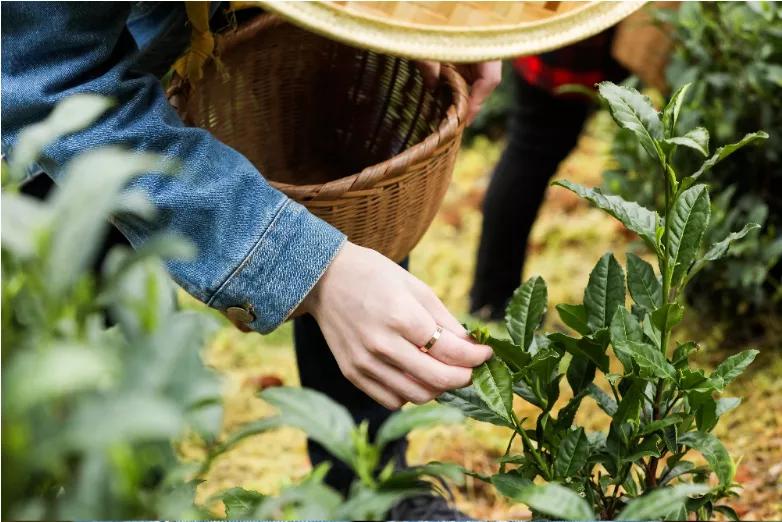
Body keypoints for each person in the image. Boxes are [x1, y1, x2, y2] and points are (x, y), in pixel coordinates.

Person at [1, 2, 500, 512]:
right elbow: (47, 82)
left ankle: (374, 488)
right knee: (95, 383)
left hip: (189, 39)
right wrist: (312, 267)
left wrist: (436, 19)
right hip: (40, 127)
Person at [470, 30, 628, 321]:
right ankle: (493, 300)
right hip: (566, 34)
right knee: (532, 146)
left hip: (559, 30)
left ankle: (493, 298)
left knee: (533, 146)